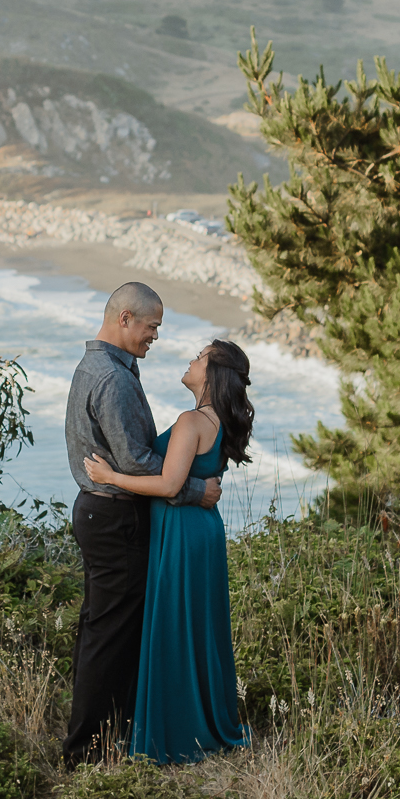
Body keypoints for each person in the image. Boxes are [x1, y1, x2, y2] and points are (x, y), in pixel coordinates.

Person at [61, 282, 221, 765]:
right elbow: (134, 461)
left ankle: (108, 736)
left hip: (99, 511)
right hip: (115, 517)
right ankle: (86, 751)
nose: (155, 336)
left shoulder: (101, 367)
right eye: (151, 327)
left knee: (104, 630)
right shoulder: (111, 378)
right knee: (110, 636)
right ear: (125, 318)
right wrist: (196, 489)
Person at [83, 338, 253, 764]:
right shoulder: (216, 419)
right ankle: (205, 719)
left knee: (176, 626)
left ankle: (178, 731)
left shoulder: (192, 420)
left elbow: (168, 485)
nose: (191, 361)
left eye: (199, 357)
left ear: (212, 373)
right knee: (198, 628)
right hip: (203, 532)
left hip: (181, 531)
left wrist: (111, 477)